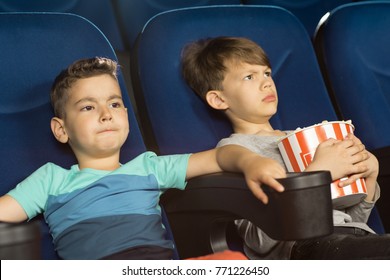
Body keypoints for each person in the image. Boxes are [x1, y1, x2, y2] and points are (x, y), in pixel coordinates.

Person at [0, 57, 286, 260]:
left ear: (126, 114)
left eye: (114, 103)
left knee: (231, 263)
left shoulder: (148, 167)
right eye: (88, 107)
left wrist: (251, 162)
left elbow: (221, 156)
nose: (106, 113)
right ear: (61, 130)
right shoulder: (51, 179)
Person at [181, 36, 390, 259]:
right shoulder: (236, 152)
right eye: (249, 76)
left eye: (267, 73)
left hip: (353, 240)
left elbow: (353, 222)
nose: (266, 83)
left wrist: (368, 178)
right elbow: (259, 238)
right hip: (302, 248)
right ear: (219, 100)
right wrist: (318, 174)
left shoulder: (306, 139)